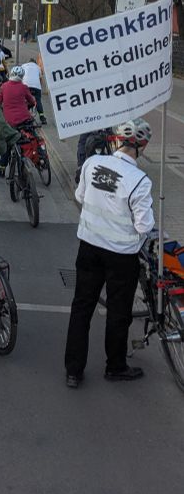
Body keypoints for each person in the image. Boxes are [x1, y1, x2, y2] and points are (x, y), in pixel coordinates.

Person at [64, 119, 154, 388]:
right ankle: (115, 366)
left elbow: (80, 196)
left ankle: (73, 371)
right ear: (143, 146)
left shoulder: (92, 163)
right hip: (121, 256)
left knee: (82, 307)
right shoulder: (140, 181)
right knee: (119, 311)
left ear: (116, 140)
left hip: (89, 247)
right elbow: (144, 225)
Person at [21, 59, 47, 124]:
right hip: (36, 86)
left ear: (28, 62)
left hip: (26, 85)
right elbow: (40, 79)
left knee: (24, 100)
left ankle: (24, 116)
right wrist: (39, 88)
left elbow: (20, 77)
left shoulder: (23, 66)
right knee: (38, 100)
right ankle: (42, 118)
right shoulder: (38, 67)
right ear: (35, 63)